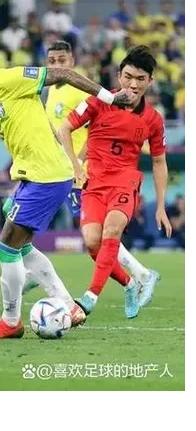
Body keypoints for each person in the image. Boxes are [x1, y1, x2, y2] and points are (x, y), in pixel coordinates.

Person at [0, 41, 132, 340]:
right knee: (14, 230)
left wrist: (110, 99)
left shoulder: (11, 79)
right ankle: (66, 304)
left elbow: (63, 74)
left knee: (6, 247)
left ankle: (11, 321)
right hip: (33, 175)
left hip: (47, 177)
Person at [23, 41, 159, 302]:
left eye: (62, 60)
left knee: (98, 236)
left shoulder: (78, 89)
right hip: (56, 170)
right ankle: (33, 270)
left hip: (83, 174)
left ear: (72, 61)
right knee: (28, 217)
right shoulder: (51, 92)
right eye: (52, 61)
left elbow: (94, 131)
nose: (57, 65)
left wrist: (78, 164)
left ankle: (139, 275)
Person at [57, 45, 172, 319]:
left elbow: (159, 162)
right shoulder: (97, 101)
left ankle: (89, 298)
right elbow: (65, 128)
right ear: (119, 75)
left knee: (112, 231)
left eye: (141, 79)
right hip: (94, 183)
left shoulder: (154, 120)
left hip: (125, 183)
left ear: (150, 81)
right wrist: (76, 167)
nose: (133, 84)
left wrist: (161, 206)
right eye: (128, 77)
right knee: (92, 243)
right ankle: (130, 284)